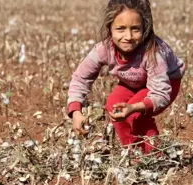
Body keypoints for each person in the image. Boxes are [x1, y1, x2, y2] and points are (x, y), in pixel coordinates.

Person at [67, 0, 185, 154]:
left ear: (145, 29)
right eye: (120, 29)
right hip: (133, 82)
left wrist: (133, 108)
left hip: (165, 83)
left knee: (136, 115)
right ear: (109, 28)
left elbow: (160, 93)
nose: (128, 36)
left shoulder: (153, 53)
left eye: (135, 29)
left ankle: (155, 157)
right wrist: (76, 112)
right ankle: (131, 154)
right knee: (113, 106)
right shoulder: (103, 49)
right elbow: (81, 78)